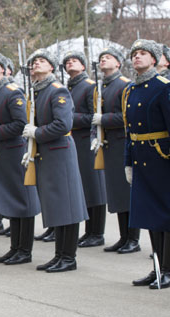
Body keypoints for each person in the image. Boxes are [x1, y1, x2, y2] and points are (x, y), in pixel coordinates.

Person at [22, 49, 88, 273]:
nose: (36, 64)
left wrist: (36, 133)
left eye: (41, 61)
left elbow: (63, 125)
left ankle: (68, 257)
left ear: (51, 67)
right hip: (46, 153)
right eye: (34, 62)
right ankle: (59, 254)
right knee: (56, 206)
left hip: (59, 153)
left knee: (67, 205)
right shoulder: (38, 91)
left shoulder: (56, 90)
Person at [0, 52, 40, 264]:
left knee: (22, 200)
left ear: (4, 69)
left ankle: (25, 250)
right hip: (1, 152)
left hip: (15, 150)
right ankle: (15, 247)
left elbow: (20, 124)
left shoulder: (12, 92)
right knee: (11, 200)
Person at [123, 39, 170, 289]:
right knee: (151, 216)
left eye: (143, 54)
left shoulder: (164, 87)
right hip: (142, 159)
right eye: (134, 54)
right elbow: (129, 131)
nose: (137, 58)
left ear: (154, 59)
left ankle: (169, 269)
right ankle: (158, 267)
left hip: (162, 159)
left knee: (166, 216)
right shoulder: (131, 90)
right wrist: (128, 162)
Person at [91, 48, 140, 254]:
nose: (103, 61)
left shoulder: (124, 85)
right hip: (109, 145)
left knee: (126, 193)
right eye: (101, 58)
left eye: (108, 58)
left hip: (121, 143)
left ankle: (133, 239)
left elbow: (127, 116)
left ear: (118, 64)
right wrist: (95, 134)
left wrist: (105, 120)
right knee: (117, 194)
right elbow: (95, 113)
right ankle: (123, 237)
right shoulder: (100, 87)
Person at [63, 51, 107, 248]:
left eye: (75, 60)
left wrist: (70, 119)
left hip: (86, 139)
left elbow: (94, 116)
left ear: (83, 66)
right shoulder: (68, 88)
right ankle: (89, 231)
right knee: (84, 187)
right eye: (67, 62)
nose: (70, 63)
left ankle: (96, 232)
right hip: (74, 141)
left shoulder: (89, 86)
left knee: (94, 186)